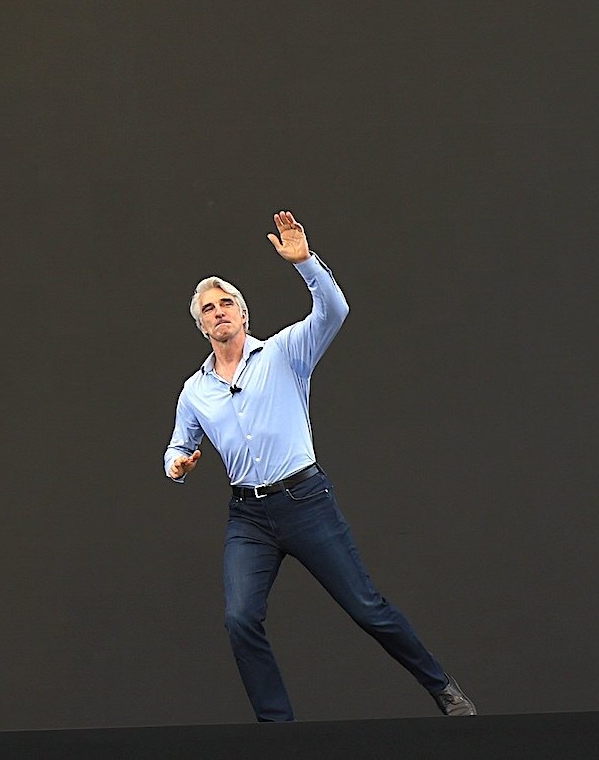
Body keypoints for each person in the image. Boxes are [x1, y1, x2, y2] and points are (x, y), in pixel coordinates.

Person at [164, 212, 474, 722]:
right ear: (200, 325)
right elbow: (176, 447)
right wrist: (177, 465)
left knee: (365, 607)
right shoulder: (195, 390)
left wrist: (305, 262)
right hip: (249, 519)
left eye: (226, 304)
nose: (218, 312)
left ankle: (443, 688)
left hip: (305, 502)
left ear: (243, 315)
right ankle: (278, 728)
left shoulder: (284, 353)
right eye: (208, 309)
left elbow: (333, 310)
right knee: (240, 618)